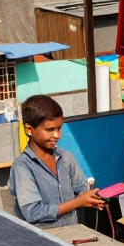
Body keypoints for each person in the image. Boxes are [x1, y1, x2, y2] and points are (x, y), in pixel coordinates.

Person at [9, 95, 104, 228]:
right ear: (29, 130)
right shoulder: (23, 167)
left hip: (73, 235)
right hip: (44, 242)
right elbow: (33, 213)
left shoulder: (66, 158)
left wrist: (92, 198)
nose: (57, 135)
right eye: (50, 130)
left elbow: (80, 189)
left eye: (59, 128)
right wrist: (78, 202)